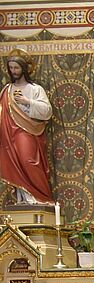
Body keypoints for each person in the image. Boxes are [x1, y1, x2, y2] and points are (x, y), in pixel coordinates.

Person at [0, 49, 52, 204]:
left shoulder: (35, 89)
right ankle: (23, 199)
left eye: (16, 67)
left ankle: (40, 199)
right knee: (13, 165)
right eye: (11, 68)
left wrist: (27, 102)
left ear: (24, 68)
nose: (13, 71)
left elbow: (47, 112)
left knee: (29, 161)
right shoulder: (6, 90)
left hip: (27, 132)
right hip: (9, 135)